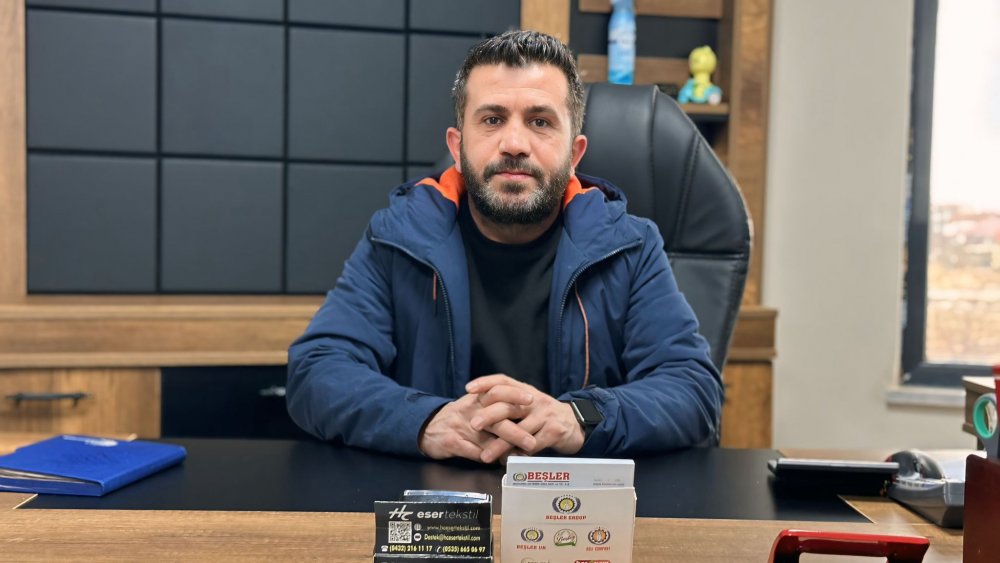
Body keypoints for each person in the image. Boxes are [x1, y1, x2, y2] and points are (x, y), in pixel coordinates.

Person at [286, 30, 723, 464]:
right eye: (493, 120)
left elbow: (692, 389)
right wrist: (426, 420)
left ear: (574, 154)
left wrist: (578, 417)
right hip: (437, 498)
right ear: (457, 147)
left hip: (574, 501)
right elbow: (317, 371)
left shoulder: (630, 246)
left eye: (540, 122)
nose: (514, 144)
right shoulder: (398, 236)